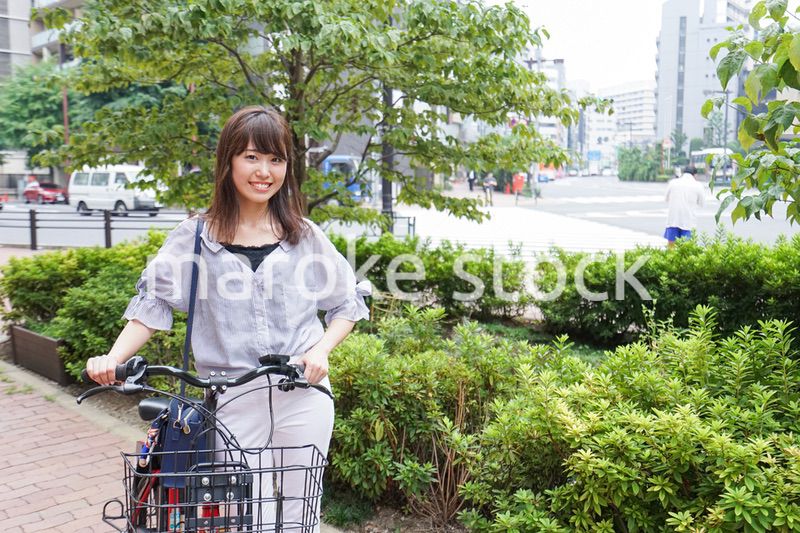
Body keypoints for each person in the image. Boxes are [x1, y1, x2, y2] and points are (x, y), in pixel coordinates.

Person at [85, 106, 370, 530]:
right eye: (252, 157)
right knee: (250, 518)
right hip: (232, 400)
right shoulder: (195, 237)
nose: (264, 171)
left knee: (300, 515)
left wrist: (321, 350)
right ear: (229, 161)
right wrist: (111, 358)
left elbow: (347, 302)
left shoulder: (303, 235)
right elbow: (154, 305)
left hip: (304, 394)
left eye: (276, 159)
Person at [664, 165, 705, 248]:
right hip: (688, 222)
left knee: (671, 248)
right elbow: (701, 203)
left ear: (683, 173)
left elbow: (666, 198)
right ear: (695, 175)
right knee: (685, 249)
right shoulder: (698, 185)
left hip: (673, 220)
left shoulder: (673, 182)